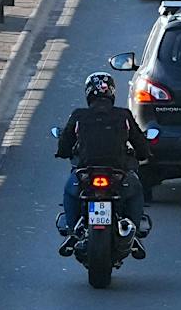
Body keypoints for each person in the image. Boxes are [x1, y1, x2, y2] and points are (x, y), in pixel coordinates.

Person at [54, 71, 151, 246]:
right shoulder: (123, 115)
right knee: (136, 191)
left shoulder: (79, 115)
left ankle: (71, 229)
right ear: (112, 92)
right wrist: (143, 154)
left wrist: (64, 152)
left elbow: (64, 145)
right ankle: (133, 232)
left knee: (70, 191)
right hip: (118, 171)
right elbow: (140, 143)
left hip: (86, 170)